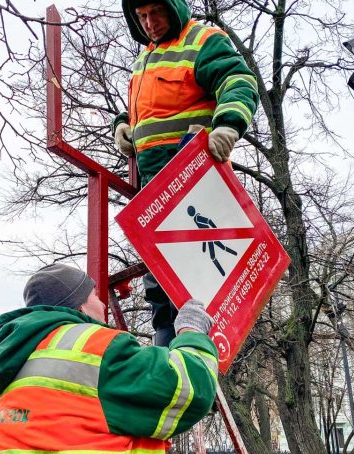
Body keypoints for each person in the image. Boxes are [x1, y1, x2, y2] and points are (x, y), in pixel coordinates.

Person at [112, 0, 259, 346]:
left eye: (155, 12)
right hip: (154, 185)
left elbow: (237, 79)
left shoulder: (202, 40)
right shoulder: (144, 59)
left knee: (197, 275)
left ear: (172, 7)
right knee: (160, 277)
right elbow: (147, 111)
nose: (149, 22)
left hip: (191, 176)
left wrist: (227, 126)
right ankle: (168, 349)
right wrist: (123, 123)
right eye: (141, 16)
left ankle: (199, 350)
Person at [0, 263, 219, 453]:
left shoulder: (19, 357)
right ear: (80, 308)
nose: (103, 303)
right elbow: (189, 389)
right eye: (95, 295)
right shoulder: (94, 345)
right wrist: (191, 330)